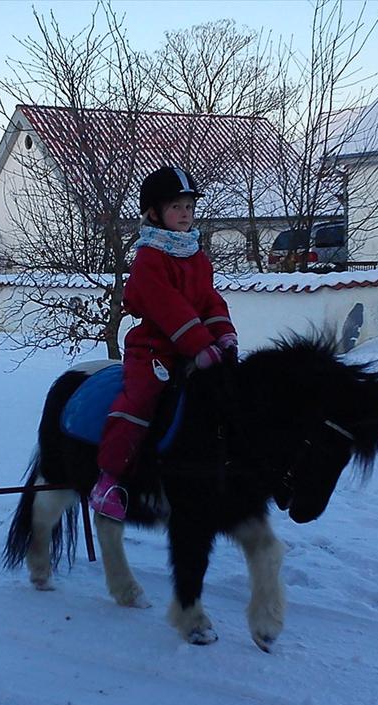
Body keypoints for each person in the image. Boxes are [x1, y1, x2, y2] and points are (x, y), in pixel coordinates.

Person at [90, 166, 238, 521]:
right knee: (141, 400)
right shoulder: (149, 258)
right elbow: (165, 306)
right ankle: (109, 478)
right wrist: (201, 345)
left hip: (196, 348)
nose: (185, 214)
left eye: (189, 206)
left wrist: (224, 332)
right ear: (155, 213)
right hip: (154, 349)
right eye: (176, 207)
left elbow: (208, 299)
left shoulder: (197, 256)